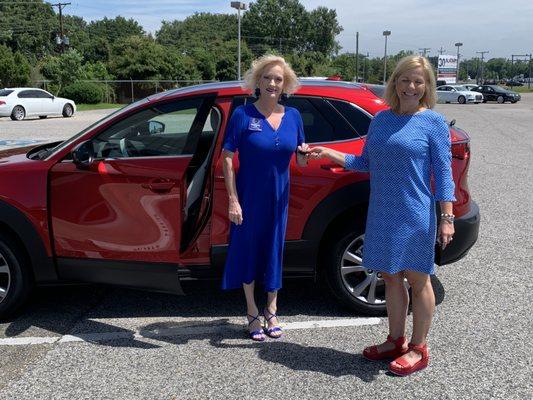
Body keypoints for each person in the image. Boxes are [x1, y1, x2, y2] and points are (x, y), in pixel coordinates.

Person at [307, 55, 455, 375]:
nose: (411, 87)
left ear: (427, 86)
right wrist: (328, 152)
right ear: (395, 83)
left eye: (419, 81)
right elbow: (365, 163)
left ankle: (419, 348)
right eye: (405, 80)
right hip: (382, 211)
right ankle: (395, 340)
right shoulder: (381, 120)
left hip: (415, 212)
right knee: (389, 276)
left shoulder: (433, 123)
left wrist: (447, 217)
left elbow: (444, 175)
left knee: (418, 279)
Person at [221, 55, 309, 341]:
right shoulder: (242, 116)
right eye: (267, 78)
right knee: (247, 251)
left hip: (278, 199)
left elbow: (301, 160)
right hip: (248, 198)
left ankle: (272, 310)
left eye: (278, 79)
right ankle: (251, 312)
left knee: (273, 251)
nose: (272, 83)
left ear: (285, 85)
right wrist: (233, 200)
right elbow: (227, 159)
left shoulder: (293, 116)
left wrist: (305, 154)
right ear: (257, 81)